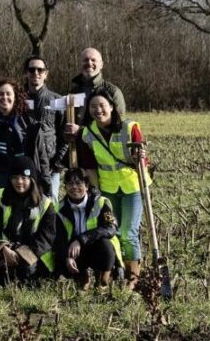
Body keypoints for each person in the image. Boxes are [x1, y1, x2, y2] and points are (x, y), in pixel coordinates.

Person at [75, 91, 146, 287]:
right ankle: (117, 269)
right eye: (93, 107)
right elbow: (89, 167)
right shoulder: (88, 133)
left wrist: (139, 157)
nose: (98, 110)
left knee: (129, 232)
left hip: (132, 185)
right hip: (107, 189)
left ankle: (133, 278)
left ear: (112, 107)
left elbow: (142, 159)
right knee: (112, 231)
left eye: (102, 106)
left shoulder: (129, 127)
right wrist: (96, 194)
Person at [0, 156, 57, 283]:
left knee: (27, 274)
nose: (19, 182)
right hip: (3, 247)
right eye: (14, 178)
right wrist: (4, 249)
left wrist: (19, 254)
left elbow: (46, 238)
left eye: (23, 178)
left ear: (31, 179)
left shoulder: (46, 204)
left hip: (30, 250)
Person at [0, 78, 46, 200]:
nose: (4, 97)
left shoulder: (29, 124)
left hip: (21, 179)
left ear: (16, 97)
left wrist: (45, 183)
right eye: (0, 94)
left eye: (8, 94)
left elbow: (41, 156)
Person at [56, 167, 121, 288]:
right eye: (70, 183)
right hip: (75, 251)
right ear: (65, 187)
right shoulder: (59, 209)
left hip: (97, 246)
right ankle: (82, 278)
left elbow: (111, 227)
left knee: (106, 246)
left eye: (78, 183)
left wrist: (81, 239)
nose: (74, 187)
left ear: (86, 186)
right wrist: (66, 257)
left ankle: (103, 279)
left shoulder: (101, 202)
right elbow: (59, 239)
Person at [20, 55, 66, 199]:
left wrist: (57, 162)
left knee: (50, 205)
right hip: (24, 164)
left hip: (50, 165)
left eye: (40, 70)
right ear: (26, 73)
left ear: (46, 74)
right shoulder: (17, 99)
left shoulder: (57, 100)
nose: (36, 73)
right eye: (32, 69)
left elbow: (65, 134)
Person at [69, 47, 126, 119]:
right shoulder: (74, 91)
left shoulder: (112, 91)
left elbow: (118, 123)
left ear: (101, 65)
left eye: (93, 60)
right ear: (80, 64)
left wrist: (81, 129)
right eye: (85, 60)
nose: (89, 63)